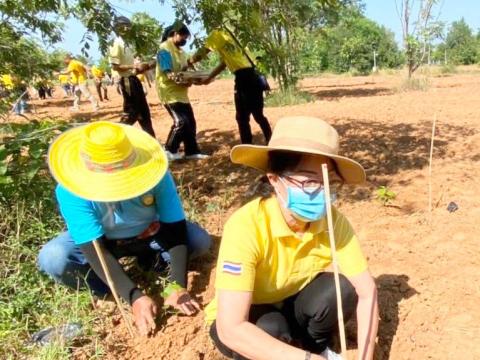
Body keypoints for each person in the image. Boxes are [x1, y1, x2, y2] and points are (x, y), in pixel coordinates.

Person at [205, 116, 378, 359]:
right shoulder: (246, 225)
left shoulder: (332, 222)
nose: (319, 191)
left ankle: (311, 344)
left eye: (327, 183)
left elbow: (367, 292)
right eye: (307, 181)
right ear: (274, 180)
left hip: (289, 304)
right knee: (270, 328)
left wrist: (365, 357)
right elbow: (231, 328)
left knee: (342, 288)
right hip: (245, 317)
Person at [38, 121, 212, 336]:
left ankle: (151, 263)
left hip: (151, 235)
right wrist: (134, 297)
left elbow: (175, 230)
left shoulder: (157, 176)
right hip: (106, 242)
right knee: (54, 257)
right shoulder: (71, 191)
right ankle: (107, 292)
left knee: (199, 241)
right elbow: (95, 249)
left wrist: (177, 285)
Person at [189, 28, 272, 145]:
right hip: (255, 76)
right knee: (258, 115)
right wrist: (209, 78)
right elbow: (224, 64)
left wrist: (188, 62)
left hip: (243, 78)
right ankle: (271, 140)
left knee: (242, 118)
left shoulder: (217, 33)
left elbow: (202, 53)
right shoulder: (234, 32)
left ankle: (247, 147)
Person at [156, 21, 209, 161]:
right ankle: (169, 150)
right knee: (181, 122)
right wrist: (182, 79)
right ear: (174, 34)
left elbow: (185, 70)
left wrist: (195, 78)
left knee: (190, 123)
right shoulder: (164, 49)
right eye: (183, 37)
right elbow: (168, 73)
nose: (184, 40)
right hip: (169, 93)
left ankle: (191, 151)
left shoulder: (181, 52)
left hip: (181, 93)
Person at [109, 16, 156, 138]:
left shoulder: (126, 44)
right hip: (127, 81)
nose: (126, 28)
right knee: (132, 113)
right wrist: (134, 67)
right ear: (117, 28)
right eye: (123, 26)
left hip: (134, 80)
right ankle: (114, 138)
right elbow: (115, 66)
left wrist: (143, 66)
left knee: (144, 112)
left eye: (128, 26)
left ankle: (151, 141)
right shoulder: (116, 44)